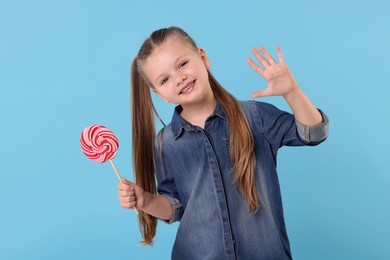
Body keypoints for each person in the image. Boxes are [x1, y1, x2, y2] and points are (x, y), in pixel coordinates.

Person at [118, 26, 329, 259]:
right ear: (161, 95)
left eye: (183, 64)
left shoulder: (254, 117)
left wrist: (292, 92)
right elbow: (175, 206)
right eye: (165, 79)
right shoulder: (166, 143)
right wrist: (146, 200)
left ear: (203, 57)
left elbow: (313, 133)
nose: (180, 78)